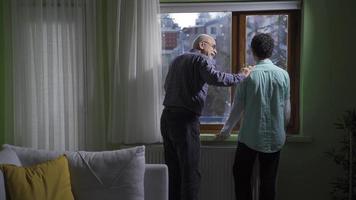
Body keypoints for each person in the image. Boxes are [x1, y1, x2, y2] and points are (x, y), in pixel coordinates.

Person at [161, 34, 251, 200]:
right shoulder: (202, 60)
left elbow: (167, 86)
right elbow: (216, 78)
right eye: (213, 46)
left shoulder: (177, 59)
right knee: (190, 171)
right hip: (185, 121)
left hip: (167, 118)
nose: (215, 51)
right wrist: (241, 76)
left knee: (173, 171)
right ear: (202, 45)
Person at [217, 33, 291, 200]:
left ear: (253, 51)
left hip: (250, 137)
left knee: (241, 177)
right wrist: (283, 129)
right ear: (271, 51)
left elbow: (238, 106)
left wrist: (226, 130)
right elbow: (287, 109)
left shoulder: (248, 75)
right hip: (275, 137)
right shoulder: (283, 75)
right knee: (268, 181)